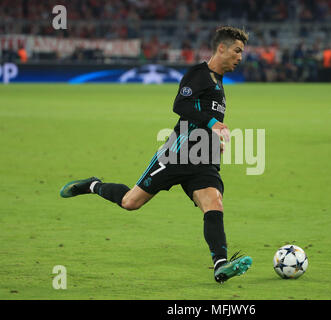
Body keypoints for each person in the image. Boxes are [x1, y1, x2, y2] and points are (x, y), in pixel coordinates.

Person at [59, 26, 253, 283]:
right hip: (177, 154)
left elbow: (203, 116)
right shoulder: (199, 74)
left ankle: (220, 265)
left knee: (213, 203)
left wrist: (215, 139)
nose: (241, 57)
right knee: (131, 202)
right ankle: (93, 185)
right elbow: (180, 105)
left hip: (202, 158)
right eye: (237, 51)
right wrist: (212, 124)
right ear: (221, 48)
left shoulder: (218, 83)